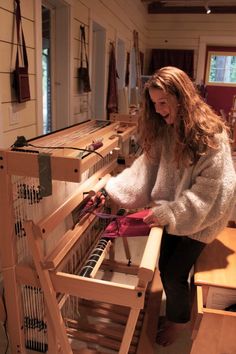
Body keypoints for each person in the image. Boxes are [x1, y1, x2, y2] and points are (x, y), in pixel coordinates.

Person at [99, 66, 236, 346]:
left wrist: (167, 213)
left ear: (182, 98)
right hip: (178, 212)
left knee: (173, 272)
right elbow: (145, 169)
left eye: (164, 102)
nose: (159, 110)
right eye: (154, 104)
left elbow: (212, 191)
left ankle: (178, 322)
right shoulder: (165, 130)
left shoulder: (212, 135)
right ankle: (177, 310)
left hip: (205, 217)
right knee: (164, 263)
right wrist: (109, 189)